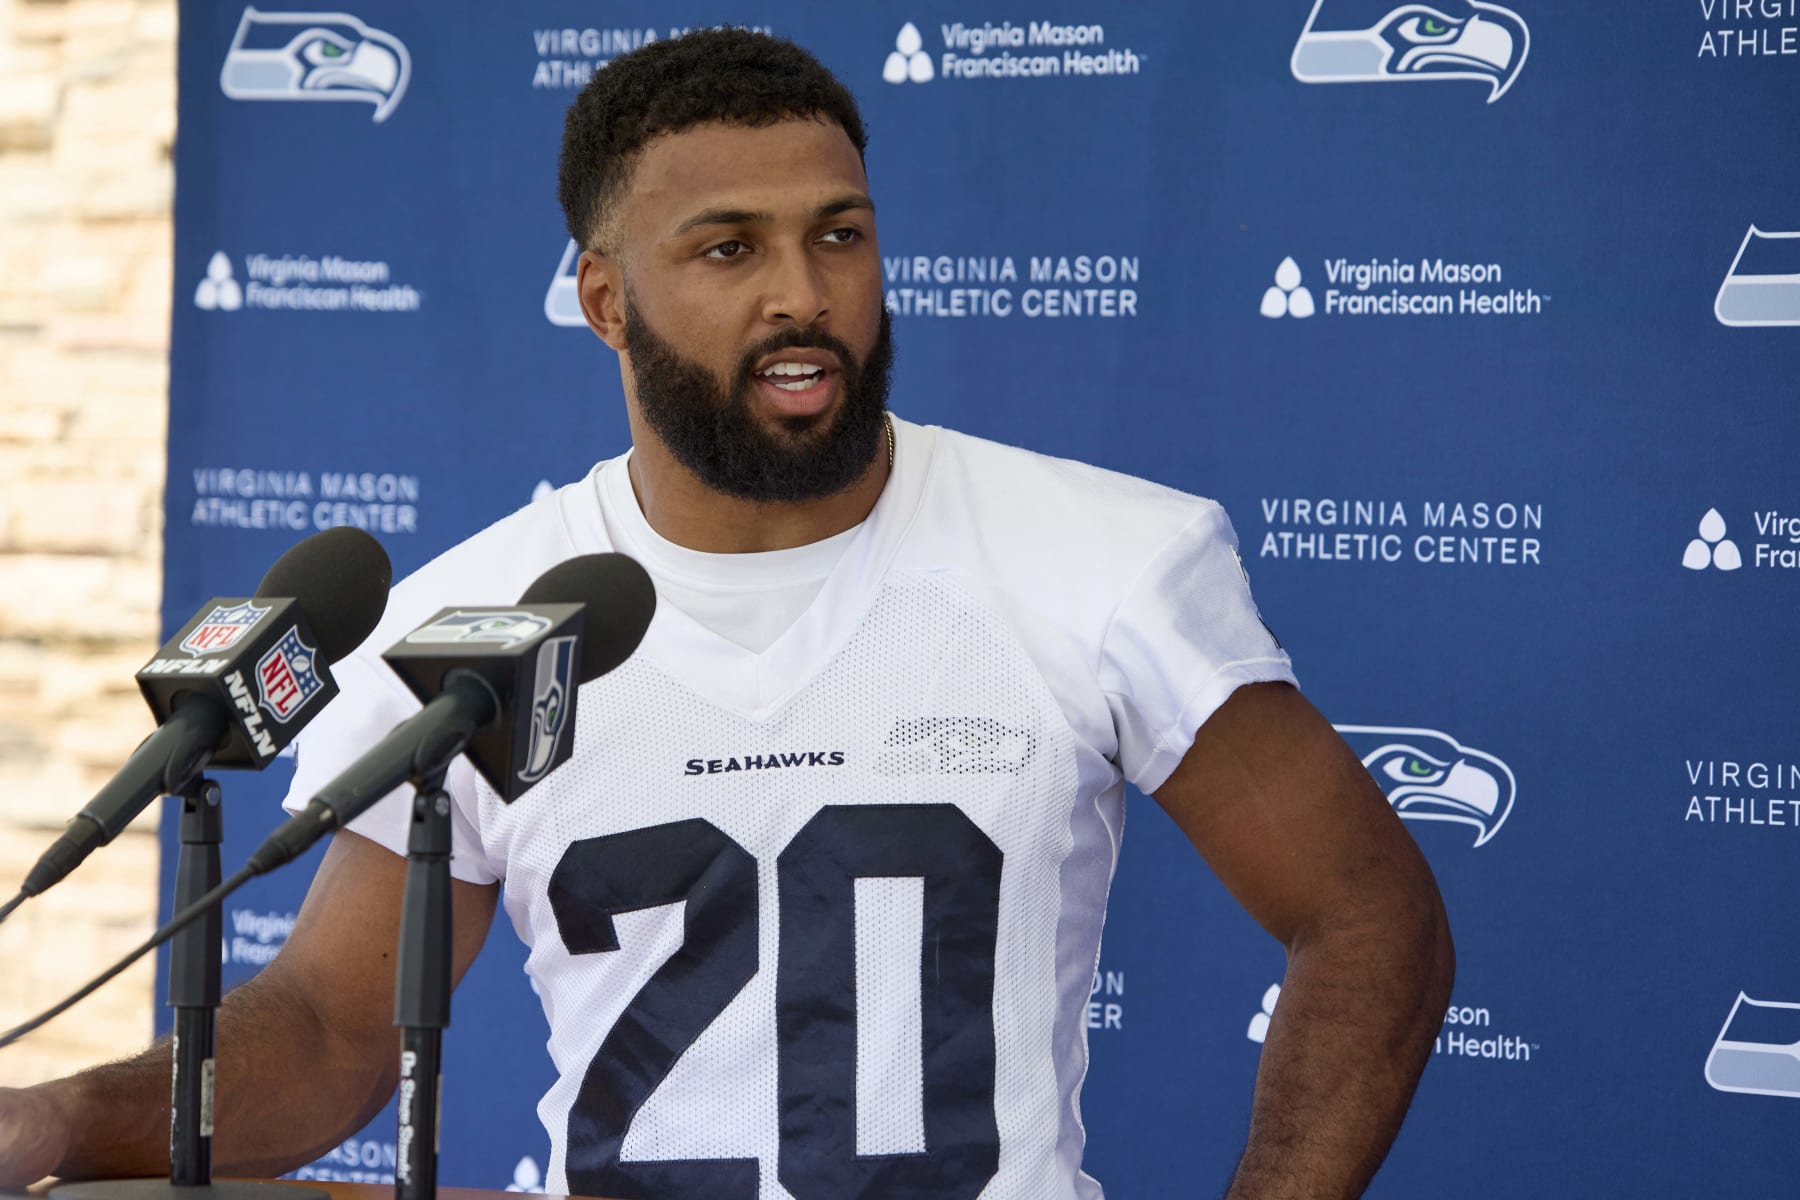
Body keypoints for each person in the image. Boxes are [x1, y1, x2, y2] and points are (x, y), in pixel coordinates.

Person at [0, 30, 1452, 1200]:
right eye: (727, 250)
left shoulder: (1099, 556)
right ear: (603, 298)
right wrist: (58, 1116)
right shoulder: (469, 625)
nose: (803, 296)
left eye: (839, 235)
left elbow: (1367, 915)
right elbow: (324, 1033)